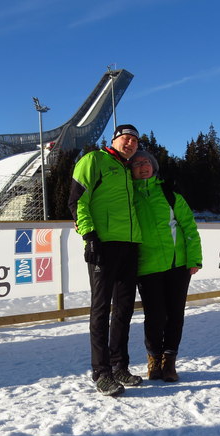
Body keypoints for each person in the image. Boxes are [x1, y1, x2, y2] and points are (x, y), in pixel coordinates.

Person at [68, 124, 144, 396]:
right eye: (126, 138)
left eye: (135, 140)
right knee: (100, 308)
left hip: (129, 245)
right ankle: (101, 372)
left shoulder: (127, 169)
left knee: (124, 309)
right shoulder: (94, 160)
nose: (130, 143)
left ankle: (119, 366)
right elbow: (77, 201)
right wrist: (89, 235)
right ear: (114, 140)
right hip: (103, 244)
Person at [129, 150, 202, 382]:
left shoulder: (169, 194)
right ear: (130, 170)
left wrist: (194, 258)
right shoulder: (128, 195)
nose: (142, 166)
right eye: (137, 163)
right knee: (155, 317)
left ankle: (169, 362)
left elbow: (188, 226)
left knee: (175, 315)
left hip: (177, 264)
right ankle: (154, 359)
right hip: (147, 266)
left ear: (154, 167)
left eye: (146, 162)